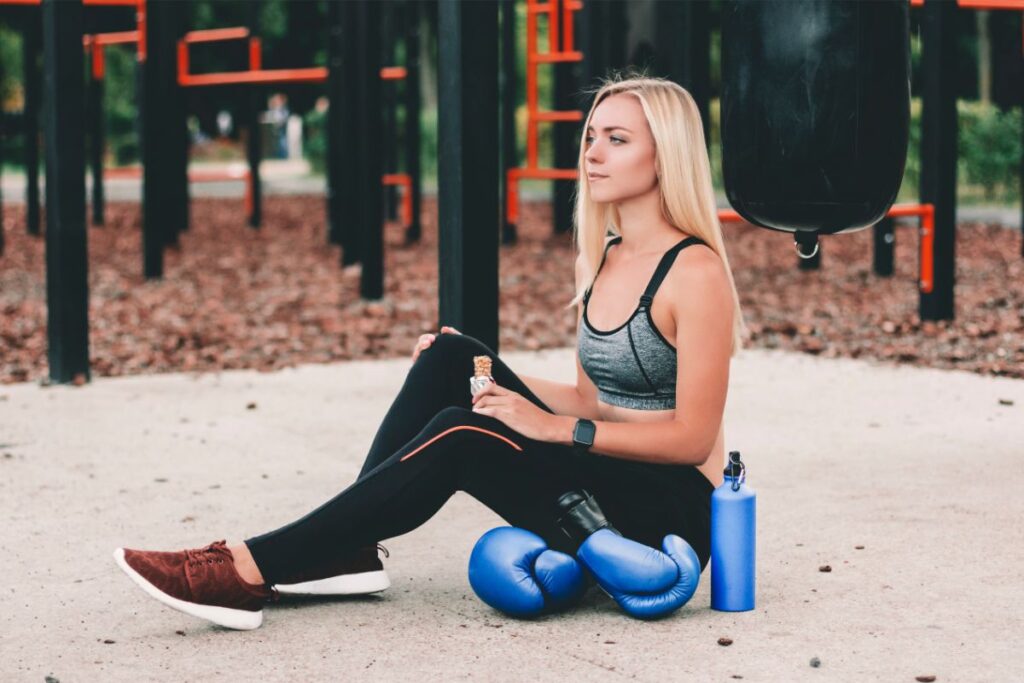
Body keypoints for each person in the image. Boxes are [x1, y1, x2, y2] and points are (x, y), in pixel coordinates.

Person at [113, 76, 748, 630]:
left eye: (617, 139)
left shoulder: (694, 274)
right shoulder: (600, 255)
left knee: (462, 433)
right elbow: (591, 398)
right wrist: (491, 373)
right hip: (602, 473)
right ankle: (349, 550)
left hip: (667, 512)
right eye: (590, 136)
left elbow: (693, 440)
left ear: (664, 157)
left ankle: (250, 568)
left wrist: (556, 429)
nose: (592, 153)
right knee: (452, 357)